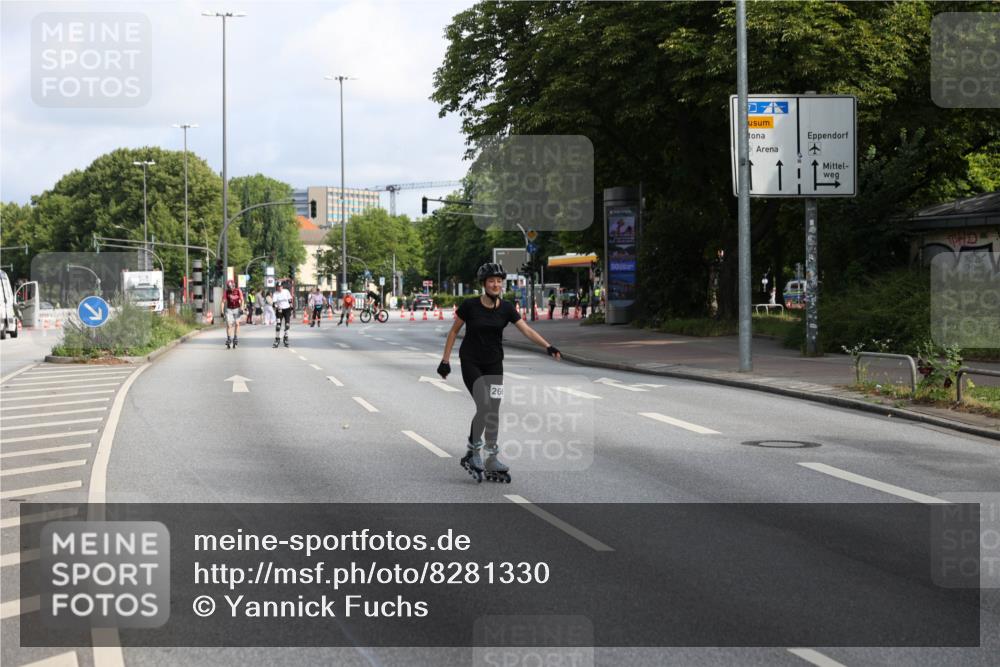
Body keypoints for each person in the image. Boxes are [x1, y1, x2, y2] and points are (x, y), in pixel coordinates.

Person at [438, 262, 561, 484]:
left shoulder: (506, 308)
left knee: (493, 410)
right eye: (491, 281)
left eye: (499, 281)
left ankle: (492, 458)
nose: (496, 285)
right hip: (471, 361)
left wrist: (548, 346)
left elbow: (526, 330)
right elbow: (454, 331)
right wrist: (445, 361)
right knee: (484, 406)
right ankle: (473, 452)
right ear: (484, 284)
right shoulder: (470, 306)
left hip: (494, 363)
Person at [223, 279, 244, 349]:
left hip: (237, 308)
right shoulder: (226, 292)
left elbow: (242, 300)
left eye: (232, 287)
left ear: (234, 286)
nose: (231, 289)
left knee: (237, 323)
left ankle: (235, 337)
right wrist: (221, 311)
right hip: (229, 309)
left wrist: (242, 308)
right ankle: (229, 338)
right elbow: (223, 302)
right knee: (229, 325)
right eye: (229, 288)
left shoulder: (238, 290)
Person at [272, 281, 293, 348]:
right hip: (279, 310)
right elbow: (274, 303)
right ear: (276, 287)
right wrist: (277, 307)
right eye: (278, 287)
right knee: (278, 326)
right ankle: (277, 339)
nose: (279, 288)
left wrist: (291, 305)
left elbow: (290, 299)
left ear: (282, 287)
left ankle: (286, 338)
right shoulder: (275, 293)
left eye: (280, 287)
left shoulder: (286, 291)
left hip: (287, 309)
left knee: (287, 325)